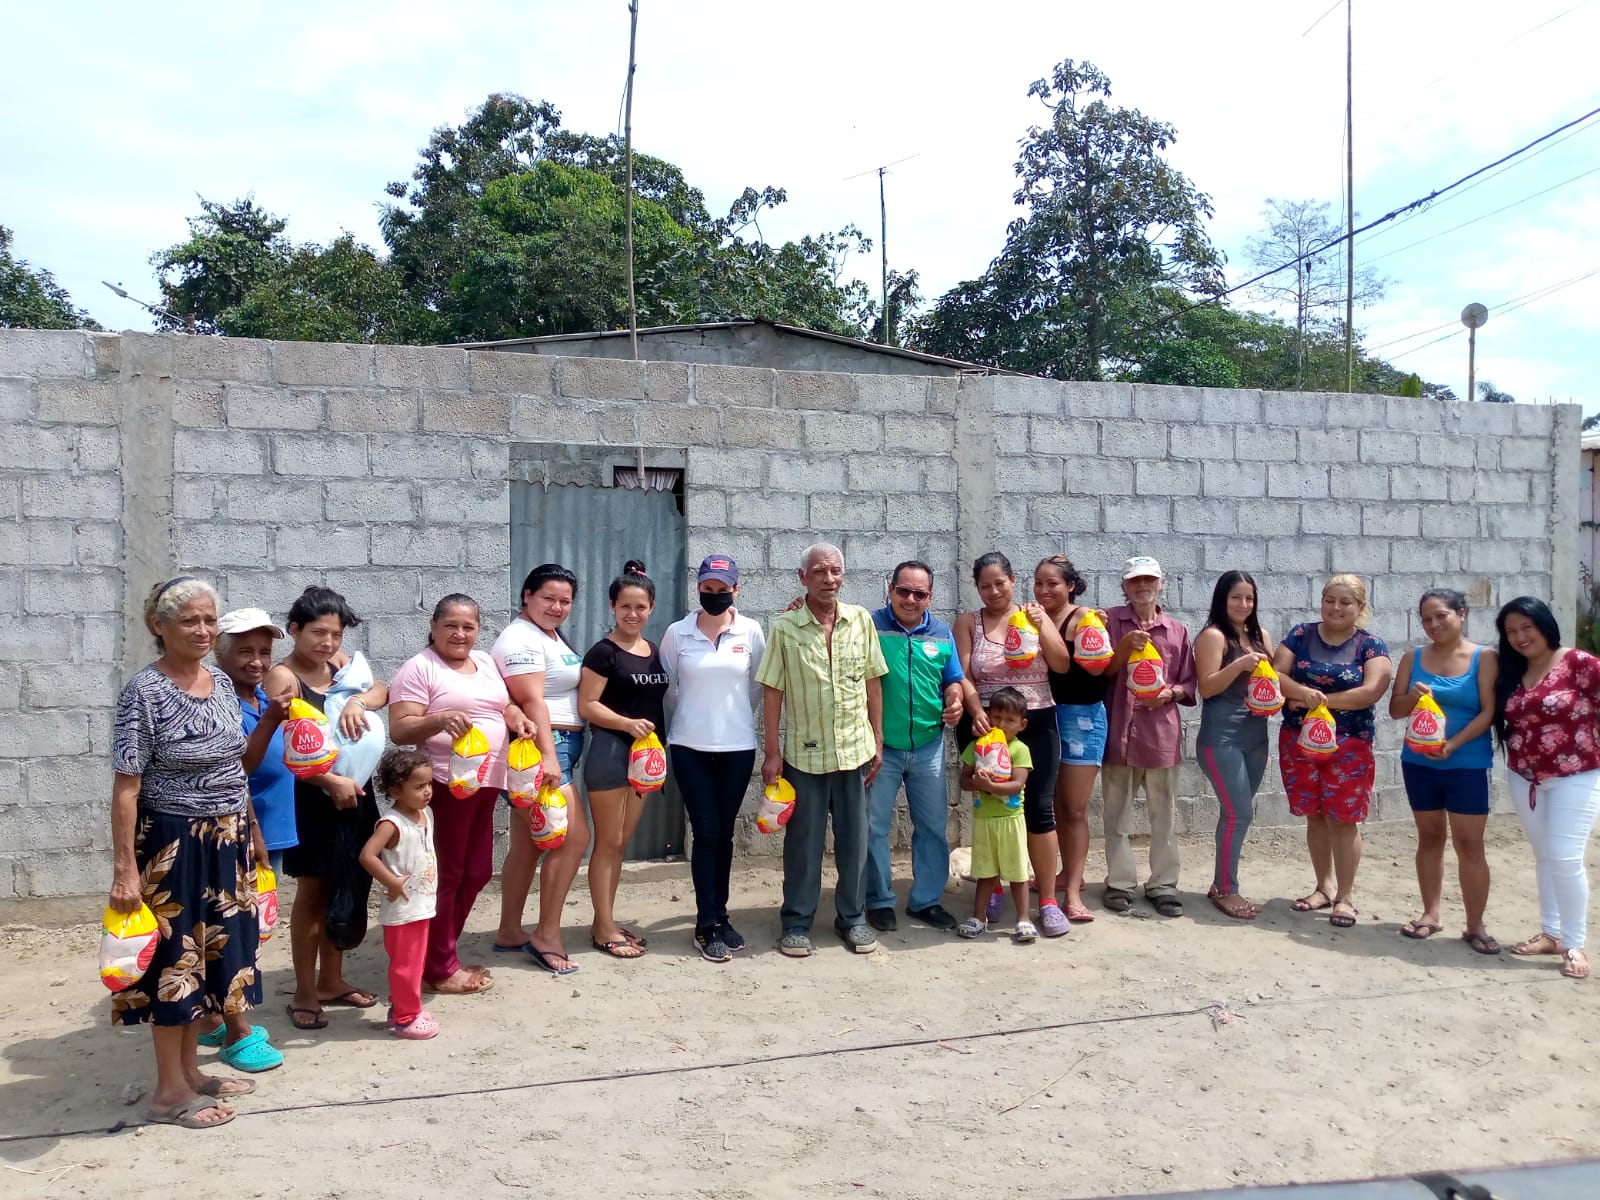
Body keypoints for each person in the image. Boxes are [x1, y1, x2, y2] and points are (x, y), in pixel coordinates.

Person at [109, 578, 262, 1129]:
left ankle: (192, 1072)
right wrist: (125, 869)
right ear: (160, 626)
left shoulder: (220, 682)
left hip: (227, 839)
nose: (203, 630)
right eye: (189, 620)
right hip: (172, 845)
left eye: (209, 619)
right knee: (175, 964)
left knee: (212, 960)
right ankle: (168, 1093)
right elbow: (126, 787)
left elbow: (232, 765)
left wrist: (251, 833)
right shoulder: (144, 692)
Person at [389, 594, 535, 995]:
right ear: (433, 627)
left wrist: (518, 717)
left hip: (486, 783)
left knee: (477, 872)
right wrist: (438, 719)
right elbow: (400, 729)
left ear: (478, 630)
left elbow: (502, 706)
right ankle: (439, 967)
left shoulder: (484, 662)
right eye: (451, 625)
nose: (460, 634)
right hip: (443, 784)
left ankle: (438, 953)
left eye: (468, 626)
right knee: (449, 874)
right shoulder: (420, 668)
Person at [757, 543, 889, 958]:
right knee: (803, 844)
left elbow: (872, 680)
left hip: (855, 752)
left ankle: (852, 918)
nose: (828, 579)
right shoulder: (785, 627)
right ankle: (797, 922)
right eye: (818, 571)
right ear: (803, 578)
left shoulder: (861, 620)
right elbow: (773, 690)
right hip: (805, 756)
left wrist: (878, 738)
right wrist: (772, 752)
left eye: (835, 571)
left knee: (855, 842)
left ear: (843, 576)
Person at [266, 586, 388, 1031]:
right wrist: (328, 781)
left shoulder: (339, 664)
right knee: (314, 893)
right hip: (312, 798)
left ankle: (331, 980)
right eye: (318, 633)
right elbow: (277, 750)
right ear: (294, 630)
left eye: (336, 634)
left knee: (347, 883)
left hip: (356, 794)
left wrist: (358, 700)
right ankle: (304, 990)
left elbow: (382, 689)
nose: (328, 643)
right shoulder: (283, 679)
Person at [194, 608, 295, 1072]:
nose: (256, 661)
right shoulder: (221, 703)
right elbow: (238, 772)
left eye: (264, 652)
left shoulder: (258, 698)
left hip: (268, 829)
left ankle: (212, 1015)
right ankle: (238, 1033)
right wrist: (253, 832)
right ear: (220, 654)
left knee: (248, 928)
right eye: (244, 651)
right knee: (237, 932)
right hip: (239, 831)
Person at [952, 552, 1069, 937]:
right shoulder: (968, 623)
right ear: (977, 588)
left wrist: (1042, 624)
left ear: (1013, 581)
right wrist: (975, 710)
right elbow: (963, 673)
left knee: (1039, 808)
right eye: (985, 586)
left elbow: (1061, 663)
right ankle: (995, 887)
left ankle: (1047, 900)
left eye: (999, 583)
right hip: (987, 727)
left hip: (1036, 724)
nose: (993, 591)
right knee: (992, 809)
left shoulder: (1034, 615)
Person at [659, 555, 766, 962]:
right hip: (690, 746)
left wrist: (731, 718)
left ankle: (721, 916)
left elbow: (756, 686)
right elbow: (669, 688)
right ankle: (706, 924)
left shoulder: (750, 631)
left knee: (724, 833)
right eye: (708, 589)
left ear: (736, 589)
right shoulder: (678, 633)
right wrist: (696, 717)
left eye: (723, 590)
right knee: (705, 832)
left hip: (737, 747)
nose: (715, 595)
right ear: (698, 588)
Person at [1272, 574, 1393, 930]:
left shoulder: (1371, 646)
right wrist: (1301, 692)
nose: (1336, 608)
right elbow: (1275, 674)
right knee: (1314, 815)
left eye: (1345, 602)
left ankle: (1345, 896)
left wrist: (1318, 700)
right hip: (1300, 742)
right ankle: (1323, 887)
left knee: (1343, 818)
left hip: (1349, 745)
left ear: (1360, 607)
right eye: (1330, 600)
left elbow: (1370, 692)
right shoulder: (1300, 635)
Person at [489, 563, 591, 975]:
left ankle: (509, 930)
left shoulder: (547, 634)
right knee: (572, 839)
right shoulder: (520, 639)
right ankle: (546, 935)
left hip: (555, 747)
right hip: (545, 750)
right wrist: (549, 756)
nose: (557, 607)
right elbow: (531, 701)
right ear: (527, 595)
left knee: (528, 845)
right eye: (548, 598)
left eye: (565, 601)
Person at [1493, 596, 1600, 980]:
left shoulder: (1580, 663)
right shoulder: (1511, 671)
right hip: (1525, 777)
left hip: (1577, 775)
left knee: (1565, 857)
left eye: (1527, 627)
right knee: (1544, 856)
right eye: (1511, 631)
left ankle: (1574, 944)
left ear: (1545, 625)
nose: (1520, 636)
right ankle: (1551, 933)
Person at [1389, 589, 1499, 954]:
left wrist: (1452, 745)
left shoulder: (1484, 657)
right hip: (1418, 762)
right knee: (1430, 837)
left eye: (1441, 616)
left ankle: (1475, 925)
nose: (1433, 624)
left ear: (1461, 614)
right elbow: (1395, 710)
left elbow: (1488, 712)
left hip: (1466, 764)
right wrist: (1413, 697)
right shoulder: (1413, 658)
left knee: (1470, 844)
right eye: (1426, 618)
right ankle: (1430, 914)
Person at [862, 560, 964, 933]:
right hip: (881, 748)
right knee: (873, 827)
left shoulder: (941, 633)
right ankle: (879, 900)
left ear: (929, 597)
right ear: (890, 590)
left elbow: (953, 679)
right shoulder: (869, 627)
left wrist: (954, 699)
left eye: (919, 594)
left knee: (933, 827)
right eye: (903, 591)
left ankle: (925, 901)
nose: (910, 599)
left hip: (928, 745)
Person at [578, 561, 671, 960]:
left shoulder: (655, 651)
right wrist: (626, 724)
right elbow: (587, 705)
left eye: (640, 607)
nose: (633, 614)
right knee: (608, 842)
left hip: (644, 759)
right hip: (611, 752)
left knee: (621, 844)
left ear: (651, 608)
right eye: (625, 607)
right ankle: (603, 928)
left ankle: (607, 920)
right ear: (612, 607)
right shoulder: (603, 652)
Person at [1100, 556, 1199, 918]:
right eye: (1135, 581)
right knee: (1116, 816)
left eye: (1149, 580)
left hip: (1160, 735)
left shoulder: (1176, 630)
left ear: (1162, 584)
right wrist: (1124, 646)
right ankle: (1120, 883)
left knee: (1164, 816)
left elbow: (1189, 682)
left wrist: (1170, 693)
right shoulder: (1109, 621)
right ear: (1124, 586)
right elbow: (1101, 671)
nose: (1142, 586)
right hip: (1119, 732)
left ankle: (1163, 884)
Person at [1035, 554, 1111, 924]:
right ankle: (1063, 876)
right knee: (1053, 804)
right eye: (1038, 583)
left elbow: (1098, 670)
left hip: (1082, 719)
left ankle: (1074, 894)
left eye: (1053, 583)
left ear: (1070, 586)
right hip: (1045, 715)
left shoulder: (1085, 619)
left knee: (1075, 809)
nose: (1044, 590)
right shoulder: (1033, 618)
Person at [1194, 571, 1274, 921]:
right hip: (1221, 739)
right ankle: (1228, 889)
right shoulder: (1213, 636)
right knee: (1240, 813)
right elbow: (1207, 687)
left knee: (1234, 814)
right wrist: (1240, 663)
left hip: (1257, 738)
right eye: (1236, 597)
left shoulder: (1261, 636)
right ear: (1222, 600)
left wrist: (1303, 694)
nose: (1243, 604)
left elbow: (1274, 680)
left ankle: (1220, 884)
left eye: (1249, 598)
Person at [359, 748, 441, 1039]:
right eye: (419, 786)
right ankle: (406, 1019)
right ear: (395, 790)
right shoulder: (391, 823)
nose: (427, 791)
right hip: (403, 909)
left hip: (421, 904)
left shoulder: (425, 813)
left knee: (415, 962)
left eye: (429, 784)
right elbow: (367, 855)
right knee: (406, 965)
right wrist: (392, 882)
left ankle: (404, 1008)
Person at [957, 688, 1035, 941]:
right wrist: (976, 781)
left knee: (1018, 874)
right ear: (987, 716)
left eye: (1010, 720)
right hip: (985, 821)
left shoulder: (1019, 749)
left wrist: (989, 786)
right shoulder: (977, 746)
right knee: (986, 873)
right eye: (997, 717)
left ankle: (1023, 919)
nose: (1001, 724)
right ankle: (979, 918)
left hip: (1011, 820)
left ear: (1022, 724)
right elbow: (963, 780)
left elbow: (1017, 785)